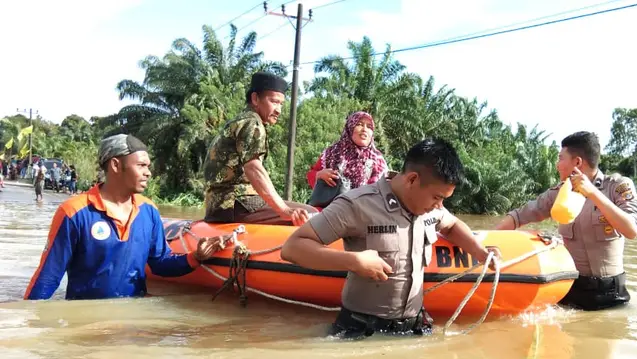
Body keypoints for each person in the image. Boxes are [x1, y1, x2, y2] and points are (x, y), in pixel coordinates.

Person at [281, 137, 501, 339]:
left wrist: (481, 252)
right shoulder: (357, 205)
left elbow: (451, 225)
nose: (439, 205)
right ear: (413, 179)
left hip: (414, 328)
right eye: (437, 197)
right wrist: (353, 261)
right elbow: (293, 247)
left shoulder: (430, 208)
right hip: (361, 331)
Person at [25, 134, 226, 301]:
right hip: (88, 330)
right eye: (141, 165)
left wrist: (195, 257)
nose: (148, 173)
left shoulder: (148, 210)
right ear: (115, 165)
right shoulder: (74, 212)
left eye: (148, 166)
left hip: (135, 325)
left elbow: (161, 263)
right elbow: (48, 278)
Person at [494, 131, 637, 311]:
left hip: (612, 295)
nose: (557, 165)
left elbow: (632, 230)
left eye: (560, 158)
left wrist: (593, 193)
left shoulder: (617, 186)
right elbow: (519, 216)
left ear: (577, 162)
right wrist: (486, 241)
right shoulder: (558, 193)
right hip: (570, 291)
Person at [203, 71, 316, 226]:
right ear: (255, 99)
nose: (279, 110)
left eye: (281, 104)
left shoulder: (241, 120)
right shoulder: (252, 123)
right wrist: (284, 210)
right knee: (311, 215)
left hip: (218, 204)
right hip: (234, 204)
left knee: (306, 211)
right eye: (274, 102)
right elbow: (253, 169)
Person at [305, 111, 389, 207]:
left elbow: (380, 191)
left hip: (359, 215)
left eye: (369, 127)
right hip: (326, 212)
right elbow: (311, 174)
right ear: (350, 127)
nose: (364, 129)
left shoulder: (377, 161)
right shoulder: (331, 152)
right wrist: (319, 175)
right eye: (359, 124)